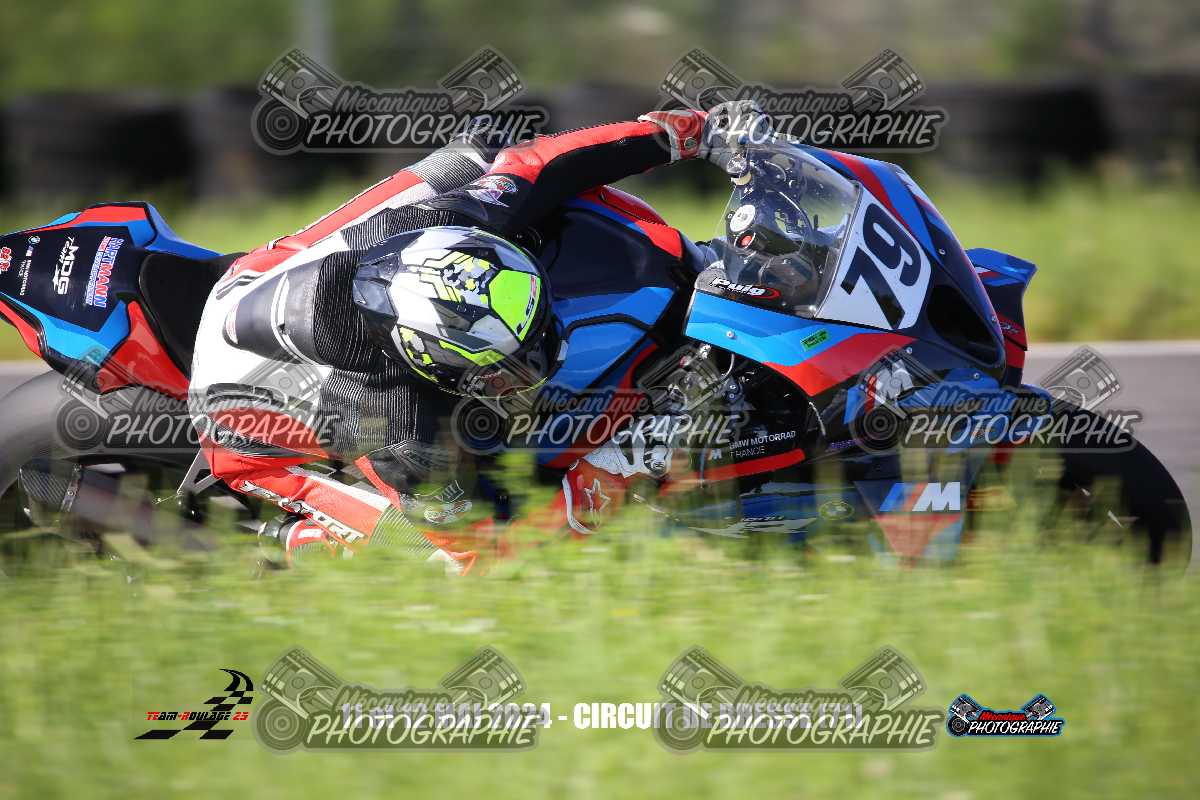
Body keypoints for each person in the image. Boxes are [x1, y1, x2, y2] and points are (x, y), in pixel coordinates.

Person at [188, 109, 709, 572]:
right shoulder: (397, 425)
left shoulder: (447, 225)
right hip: (234, 421)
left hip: (260, 275)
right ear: (432, 367)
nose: (542, 359)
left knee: (482, 153)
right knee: (445, 562)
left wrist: (681, 132)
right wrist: (611, 469)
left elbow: (538, 163)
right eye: (506, 367)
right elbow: (491, 552)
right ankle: (299, 541)